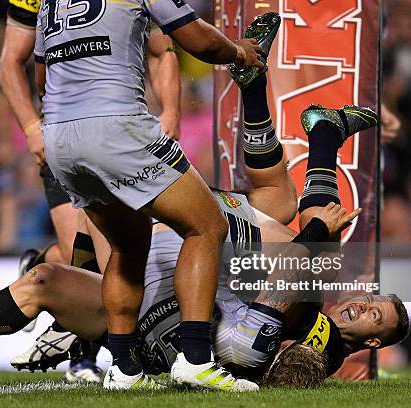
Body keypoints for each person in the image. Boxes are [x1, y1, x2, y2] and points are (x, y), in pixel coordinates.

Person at [0, 14, 408, 387]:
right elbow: (181, 42)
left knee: (48, 275)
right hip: (153, 218)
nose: (365, 305)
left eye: (374, 315)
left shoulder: (311, 338)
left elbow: (32, 69)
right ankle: (308, 126)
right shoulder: (313, 321)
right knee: (279, 227)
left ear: (370, 342)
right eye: (374, 303)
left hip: (69, 145)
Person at [33, 1, 264, 391]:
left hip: (58, 136)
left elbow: (42, 74)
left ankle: (124, 368)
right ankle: (195, 359)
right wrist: (240, 52)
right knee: (206, 225)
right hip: (116, 126)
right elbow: (197, 40)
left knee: (126, 245)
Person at [0, 0, 183, 382]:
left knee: (101, 254)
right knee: (95, 256)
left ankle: (94, 348)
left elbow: (162, 49)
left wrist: (171, 112)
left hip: (122, 132)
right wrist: (33, 128)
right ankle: (100, 357)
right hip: (63, 134)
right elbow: (11, 63)